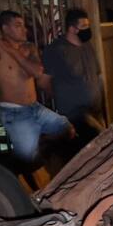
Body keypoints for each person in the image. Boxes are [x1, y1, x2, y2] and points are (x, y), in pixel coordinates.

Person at [0, 10, 73, 164]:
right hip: (14, 112)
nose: (24, 29)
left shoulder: (29, 48)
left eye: (23, 26)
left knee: (66, 129)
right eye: (18, 25)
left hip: (35, 107)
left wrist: (12, 51)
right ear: (6, 29)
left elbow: (36, 72)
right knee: (28, 160)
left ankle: (39, 143)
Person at [42, 8, 105, 152]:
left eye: (88, 26)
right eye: (83, 27)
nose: (87, 30)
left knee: (97, 150)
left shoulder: (87, 46)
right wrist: (62, 96)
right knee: (97, 147)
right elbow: (44, 82)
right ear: (72, 29)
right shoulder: (57, 50)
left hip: (95, 109)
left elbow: (97, 73)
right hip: (76, 114)